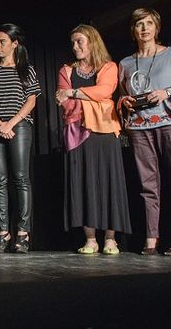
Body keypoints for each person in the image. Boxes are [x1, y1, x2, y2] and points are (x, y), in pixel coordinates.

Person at [56, 24, 131, 255]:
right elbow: (64, 101)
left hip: (105, 131)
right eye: (73, 43)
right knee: (83, 183)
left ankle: (110, 239)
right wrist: (88, 98)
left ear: (92, 42)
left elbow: (106, 91)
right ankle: (90, 239)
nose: (75, 46)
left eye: (80, 41)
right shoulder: (66, 70)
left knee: (109, 182)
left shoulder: (108, 66)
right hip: (78, 132)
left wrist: (76, 93)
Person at [119, 8, 171, 256]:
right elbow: (122, 95)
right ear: (133, 31)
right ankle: (151, 238)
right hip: (139, 126)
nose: (144, 29)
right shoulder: (125, 63)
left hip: (169, 123)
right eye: (139, 24)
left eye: (149, 24)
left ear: (157, 28)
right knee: (147, 186)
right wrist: (124, 101)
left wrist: (166, 92)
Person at [0, 24, 40, 253]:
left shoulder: (27, 70)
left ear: (14, 43)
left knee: (21, 178)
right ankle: (3, 233)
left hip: (20, 128)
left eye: (2, 41)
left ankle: (23, 233)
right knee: (0, 180)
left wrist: (10, 124)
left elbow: (31, 101)